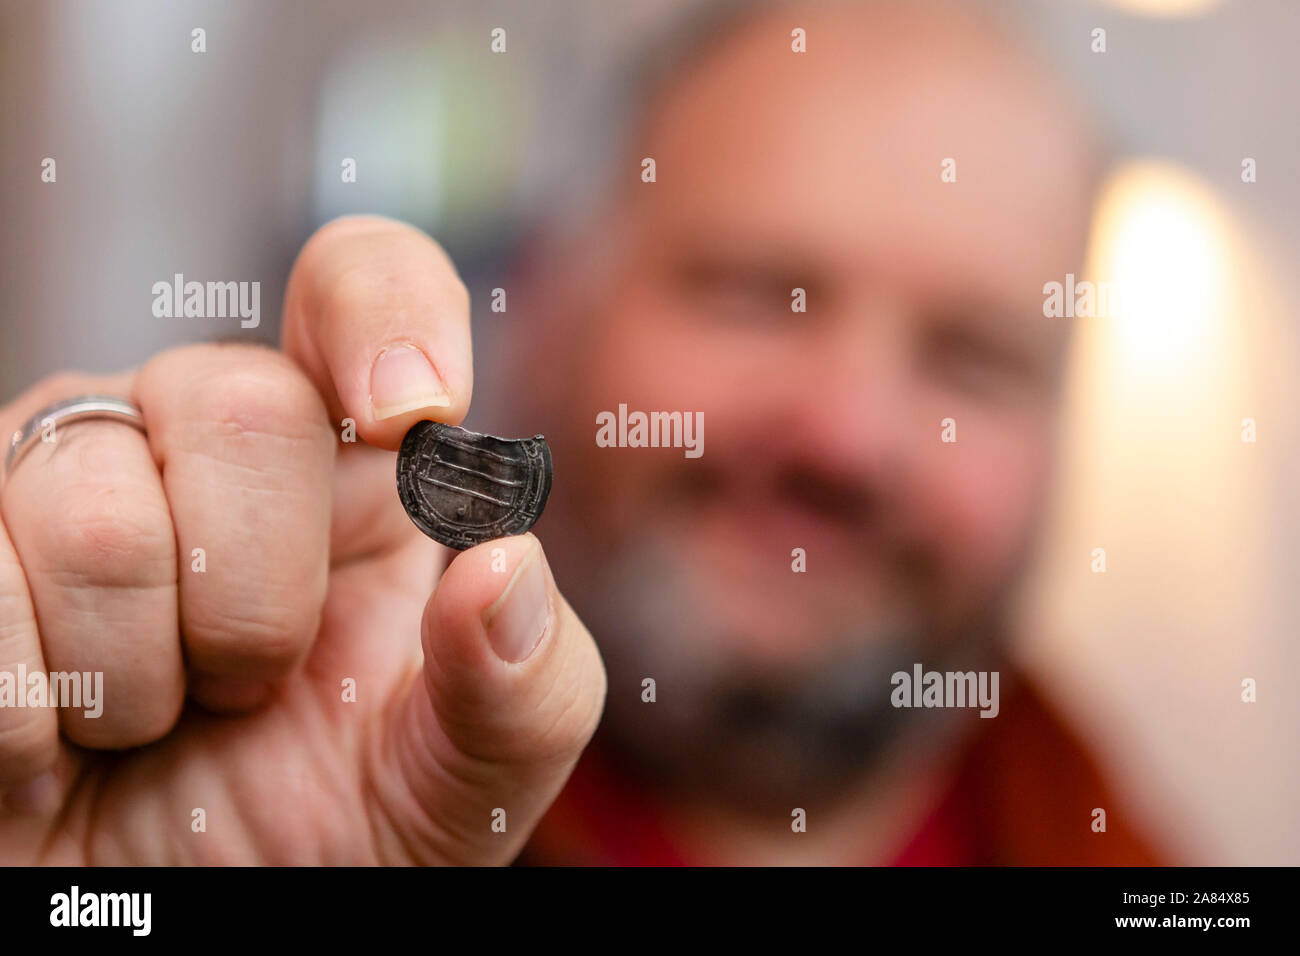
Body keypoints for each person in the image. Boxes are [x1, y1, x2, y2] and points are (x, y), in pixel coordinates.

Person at [0, 0, 1160, 865]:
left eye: (974, 358)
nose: (845, 434)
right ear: (553, 303)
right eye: (755, 291)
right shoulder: (296, 755)